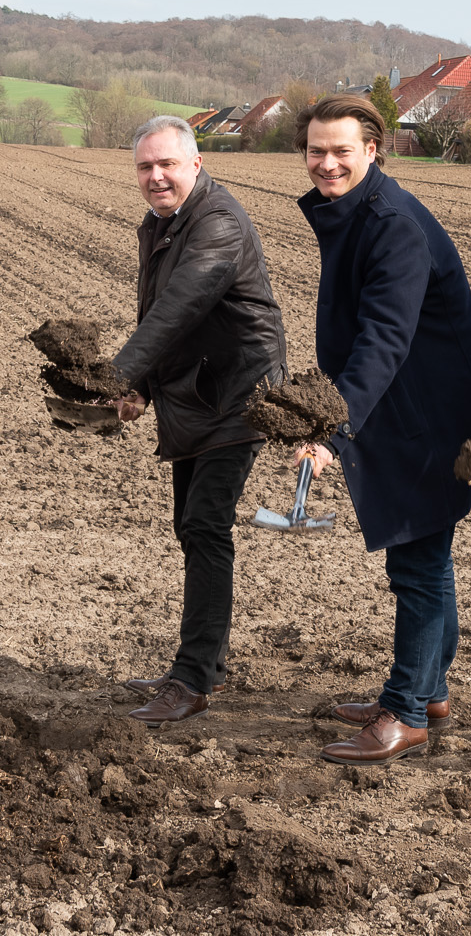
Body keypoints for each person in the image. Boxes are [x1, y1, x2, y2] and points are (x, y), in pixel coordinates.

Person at [289, 94, 471, 765]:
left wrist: (332, 429)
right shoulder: (359, 210)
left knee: (416, 563)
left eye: (341, 150)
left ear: (373, 150)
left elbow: (383, 341)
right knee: (425, 556)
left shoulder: (391, 224)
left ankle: (408, 712)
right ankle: (426, 687)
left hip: (431, 416)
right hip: (412, 406)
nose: (326, 163)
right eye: (315, 150)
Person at [106, 115, 287, 726]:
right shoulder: (159, 224)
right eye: (145, 167)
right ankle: (199, 664)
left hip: (238, 394)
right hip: (193, 393)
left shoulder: (218, 223)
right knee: (192, 528)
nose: (156, 176)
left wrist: (118, 379)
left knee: (205, 526)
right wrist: (144, 393)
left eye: (167, 165)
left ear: (195, 164)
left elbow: (179, 310)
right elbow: (157, 313)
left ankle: (192, 679)